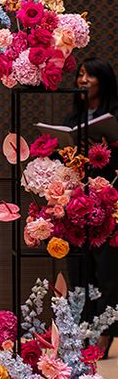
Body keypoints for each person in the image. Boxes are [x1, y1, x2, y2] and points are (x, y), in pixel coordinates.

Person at [63, 57, 118, 357]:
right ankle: (81, 328)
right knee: (79, 269)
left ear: (103, 81)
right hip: (77, 204)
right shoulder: (74, 117)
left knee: (108, 270)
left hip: (110, 200)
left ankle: (106, 330)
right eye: (80, 75)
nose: (82, 81)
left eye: (89, 76)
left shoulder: (115, 115)